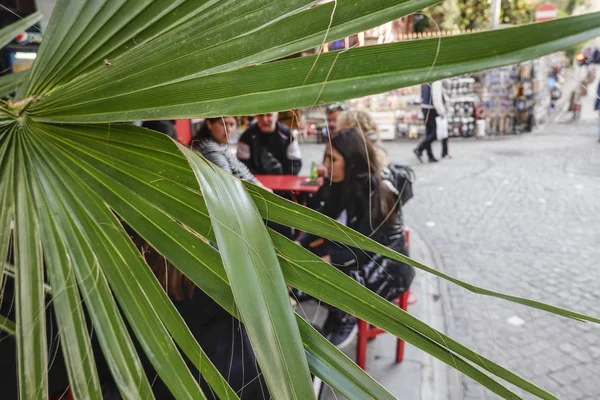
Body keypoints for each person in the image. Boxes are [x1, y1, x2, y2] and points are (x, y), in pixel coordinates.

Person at [297, 128, 413, 348]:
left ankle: (346, 316)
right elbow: (319, 219)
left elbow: (364, 250)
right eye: (325, 157)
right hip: (356, 256)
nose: (326, 165)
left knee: (322, 274)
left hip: (385, 269)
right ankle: (332, 312)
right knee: (306, 265)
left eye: (333, 159)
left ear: (351, 163)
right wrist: (300, 243)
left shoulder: (374, 192)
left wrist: (324, 262)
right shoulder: (339, 184)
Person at [192, 117, 259, 183]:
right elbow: (228, 182)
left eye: (232, 124)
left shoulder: (222, 145)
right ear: (209, 124)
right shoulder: (211, 150)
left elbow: (243, 170)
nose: (228, 129)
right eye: (223, 124)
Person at [237, 112, 302, 175]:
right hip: (255, 180)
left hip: (283, 180)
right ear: (256, 116)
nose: (264, 119)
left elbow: (295, 163)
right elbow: (242, 165)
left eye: (269, 115)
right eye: (261, 115)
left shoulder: (287, 135)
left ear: (276, 116)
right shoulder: (247, 136)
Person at [414, 81, 449, 163]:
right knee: (434, 134)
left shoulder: (425, 79)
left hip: (424, 107)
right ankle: (420, 148)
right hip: (431, 108)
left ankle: (430, 155)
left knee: (429, 132)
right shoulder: (436, 80)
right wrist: (441, 111)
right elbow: (436, 97)